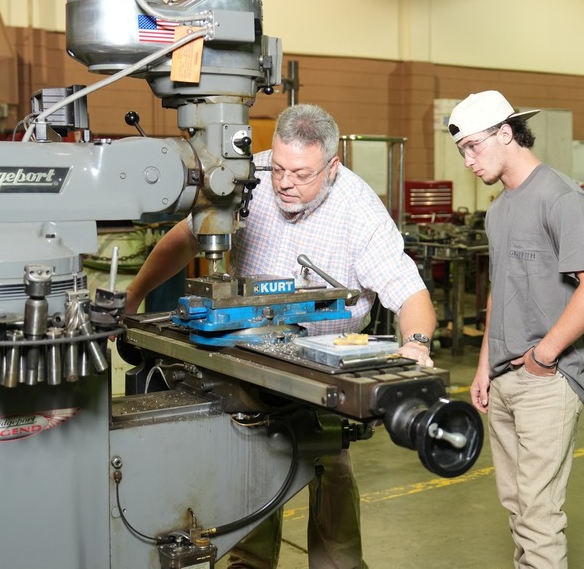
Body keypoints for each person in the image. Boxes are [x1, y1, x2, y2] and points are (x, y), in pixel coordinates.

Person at [124, 103, 437, 569]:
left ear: (332, 167)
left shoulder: (359, 210)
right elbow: (185, 237)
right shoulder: (251, 176)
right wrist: (132, 298)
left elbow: (413, 297)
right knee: (248, 478)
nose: (285, 182)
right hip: (245, 362)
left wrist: (416, 345)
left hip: (322, 376)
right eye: (280, 169)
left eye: (301, 173)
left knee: (330, 479)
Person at [447, 90, 584, 568]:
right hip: (503, 376)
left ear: (506, 133)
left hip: (546, 381)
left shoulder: (560, 197)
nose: (468, 161)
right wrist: (483, 367)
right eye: (461, 151)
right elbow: (501, 289)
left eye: (473, 146)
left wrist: (545, 356)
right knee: (518, 510)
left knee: (539, 518)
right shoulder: (498, 210)